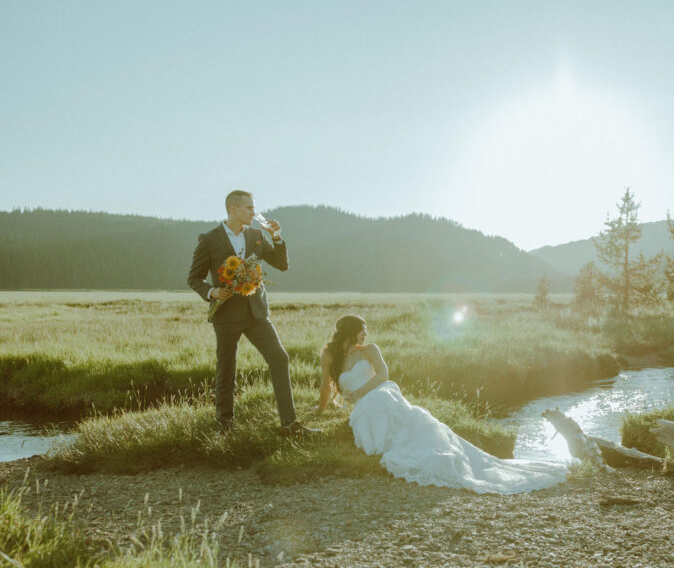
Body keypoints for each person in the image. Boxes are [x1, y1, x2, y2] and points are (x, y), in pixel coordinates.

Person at [319, 315, 568, 494]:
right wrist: (321, 409)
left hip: (380, 392)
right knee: (370, 410)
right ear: (350, 331)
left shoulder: (369, 350)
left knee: (386, 400)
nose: (366, 334)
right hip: (362, 404)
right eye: (362, 330)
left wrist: (360, 391)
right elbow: (326, 386)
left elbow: (383, 376)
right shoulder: (331, 355)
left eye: (366, 330)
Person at [188, 189, 319, 436]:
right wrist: (211, 292)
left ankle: (289, 424)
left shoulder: (257, 235)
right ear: (233, 209)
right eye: (249, 208)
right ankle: (224, 426)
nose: (253, 212)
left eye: (253, 207)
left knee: (279, 358)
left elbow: (281, 265)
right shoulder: (209, 239)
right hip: (225, 315)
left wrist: (277, 237)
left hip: (257, 313)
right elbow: (194, 278)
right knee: (226, 368)